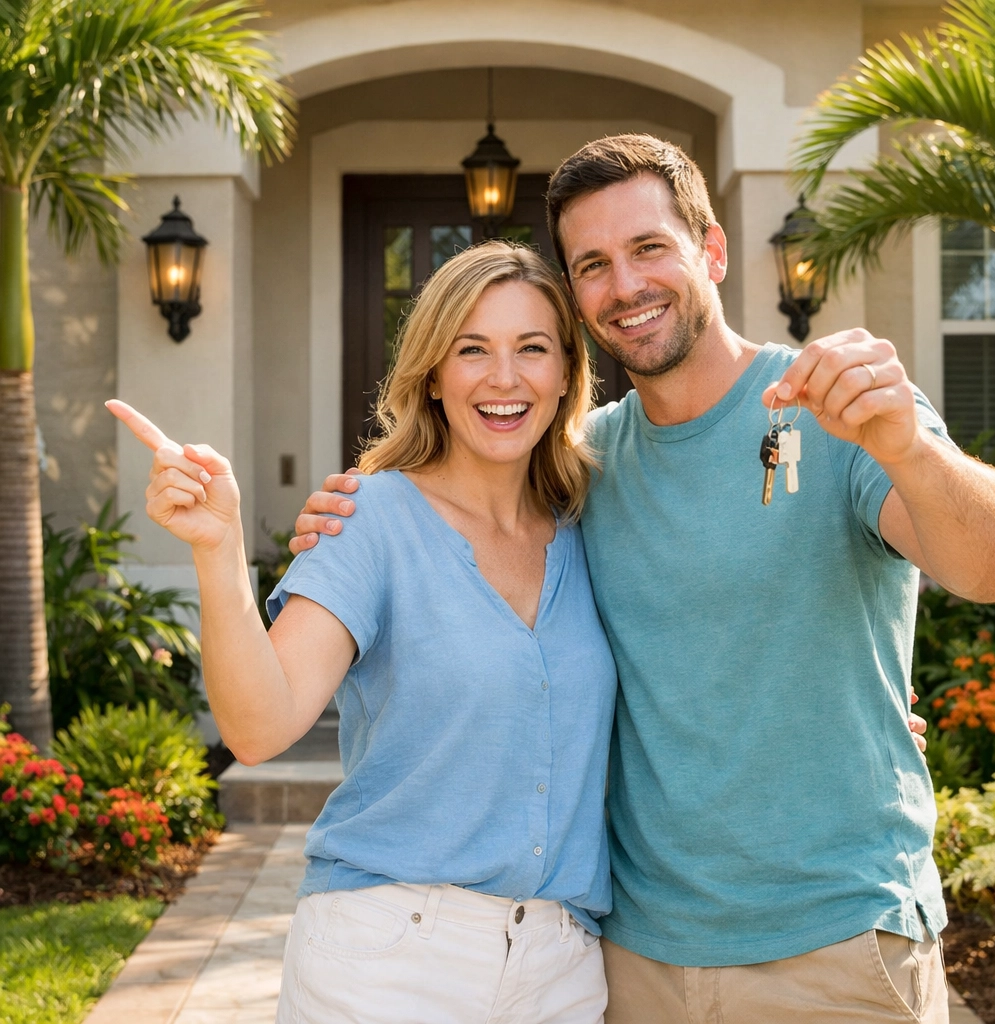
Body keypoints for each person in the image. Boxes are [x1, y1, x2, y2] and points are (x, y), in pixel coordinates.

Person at [292, 134, 995, 1023]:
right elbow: (470, 547)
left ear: (710, 250)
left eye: (648, 248)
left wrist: (908, 449)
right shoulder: (580, 467)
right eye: (591, 264)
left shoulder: (838, 412)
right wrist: (355, 516)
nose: (624, 286)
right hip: (633, 962)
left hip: (832, 945)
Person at [107, 242, 616, 1024]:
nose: (504, 377)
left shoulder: (593, 529)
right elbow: (258, 726)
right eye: (471, 349)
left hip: (561, 969)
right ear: (434, 376)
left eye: (532, 349)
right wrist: (217, 548)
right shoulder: (371, 519)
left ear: (566, 375)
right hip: (390, 958)